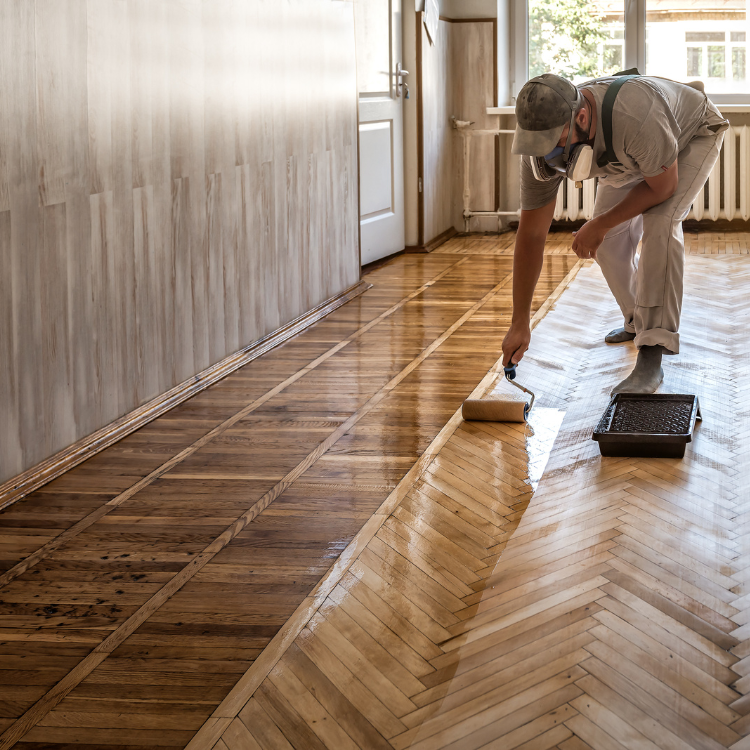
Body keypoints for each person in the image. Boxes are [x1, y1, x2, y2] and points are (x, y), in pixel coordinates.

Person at [501, 72, 728, 393]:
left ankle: (653, 352)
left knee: (661, 222)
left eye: (556, 142)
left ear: (581, 116)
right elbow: (532, 236)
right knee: (607, 243)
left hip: (690, 133)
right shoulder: (537, 149)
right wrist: (519, 321)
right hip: (628, 152)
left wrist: (599, 223)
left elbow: (663, 188)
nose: (548, 155)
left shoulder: (635, 114)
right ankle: (637, 320)